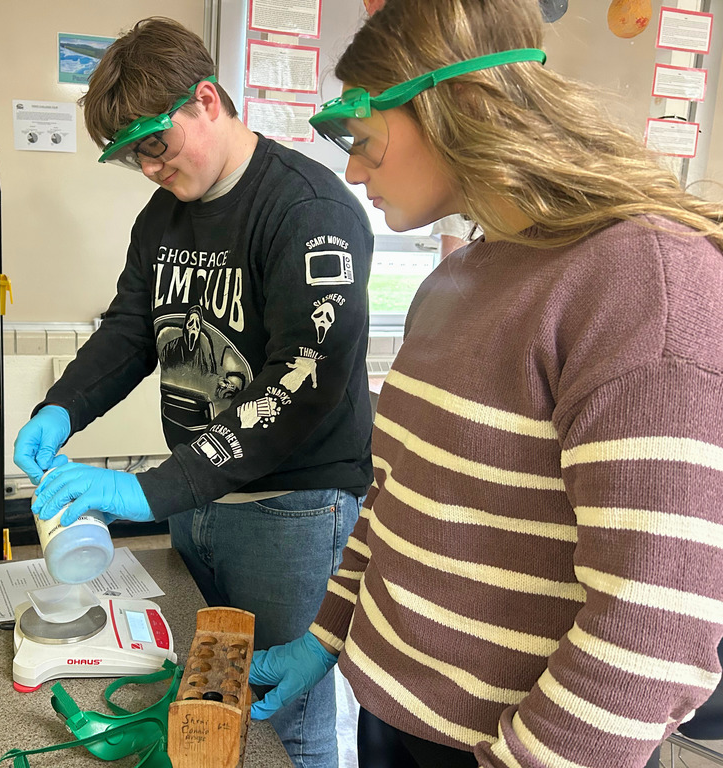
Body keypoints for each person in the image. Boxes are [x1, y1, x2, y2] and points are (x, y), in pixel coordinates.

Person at [247, 2, 723, 767]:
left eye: (363, 140)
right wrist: (328, 635)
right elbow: (401, 498)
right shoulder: (457, 279)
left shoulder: (643, 281)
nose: (352, 170)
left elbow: (655, 625)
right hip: (392, 716)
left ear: (460, 106)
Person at [12, 17, 375, 768]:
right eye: (130, 157)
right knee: (212, 698)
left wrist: (149, 492)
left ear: (206, 100)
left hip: (290, 510)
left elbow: (300, 386)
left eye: (155, 143)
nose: (148, 168)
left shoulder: (309, 212)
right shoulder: (165, 216)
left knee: (287, 721)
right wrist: (63, 406)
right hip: (198, 499)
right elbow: (130, 331)